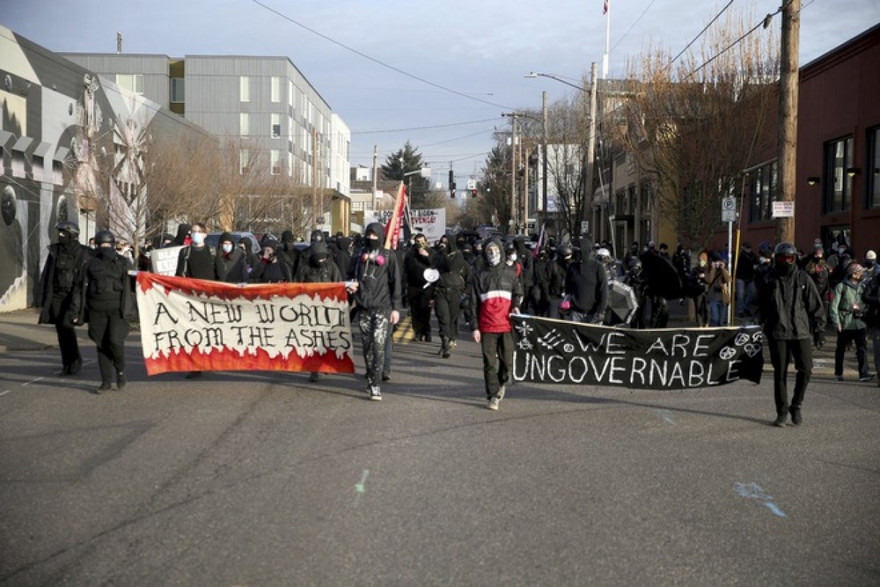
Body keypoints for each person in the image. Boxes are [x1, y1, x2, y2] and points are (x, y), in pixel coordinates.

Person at [757, 242, 827, 427]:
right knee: (779, 374)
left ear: (794, 258)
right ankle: (781, 412)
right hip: (777, 332)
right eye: (782, 258)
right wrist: (757, 326)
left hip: (801, 331)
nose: (786, 262)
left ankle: (796, 405)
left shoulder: (803, 279)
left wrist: (819, 330)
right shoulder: (768, 279)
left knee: (806, 369)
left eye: (790, 258)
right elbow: (761, 306)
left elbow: (816, 306)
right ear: (776, 259)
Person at [70, 230, 135, 394]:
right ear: (97, 246)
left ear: (113, 245)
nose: (105, 248)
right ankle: (105, 381)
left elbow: (135, 283)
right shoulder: (89, 264)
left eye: (108, 244)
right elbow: (79, 289)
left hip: (117, 310)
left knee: (115, 341)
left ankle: (120, 370)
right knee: (101, 344)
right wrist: (75, 311)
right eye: (102, 245)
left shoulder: (123, 262)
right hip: (96, 310)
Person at [346, 222, 402, 401]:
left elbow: (396, 283)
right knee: (367, 348)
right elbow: (349, 276)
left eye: (374, 235)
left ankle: (376, 385)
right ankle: (370, 377)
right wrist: (351, 287)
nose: (371, 238)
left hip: (382, 307)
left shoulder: (388, 255)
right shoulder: (359, 254)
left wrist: (396, 308)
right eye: (368, 234)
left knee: (378, 346)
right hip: (363, 307)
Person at [469, 238, 523, 411]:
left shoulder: (510, 272)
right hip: (487, 326)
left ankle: (501, 383)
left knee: (507, 362)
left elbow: (518, 292)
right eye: (489, 251)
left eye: (495, 250)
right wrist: (475, 327)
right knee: (489, 363)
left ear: (501, 250)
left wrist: (516, 306)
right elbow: (473, 303)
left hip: (506, 325)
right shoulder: (479, 275)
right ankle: (493, 395)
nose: (493, 253)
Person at [38, 221, 89, 376]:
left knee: (68, 327)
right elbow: (48, 274)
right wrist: (43, 297)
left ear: (72, 234)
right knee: (61, 330)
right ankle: (66, 362)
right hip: (56, 296)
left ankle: (75, 360)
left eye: (63, 233)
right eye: (59, 233)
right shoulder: (55, 251)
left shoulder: (82, 252)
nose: (60, 236)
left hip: (73, 295)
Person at [298, 239, 343, 382]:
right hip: (310, 309)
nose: (321, 261)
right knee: (313, 340)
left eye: (323, 258)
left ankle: (326, 363)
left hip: (327, 308)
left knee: (327, 339)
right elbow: (297, 285)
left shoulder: (331, 267)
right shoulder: (305, 267)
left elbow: (338, 284)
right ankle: (314, 369)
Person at [829, 263, 873, 382]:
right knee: (841, 349)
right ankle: (838, 373)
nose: (861, 274)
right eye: (859, 272)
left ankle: (864, 374)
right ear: (853, 274)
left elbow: (867, 303)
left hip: (860, 322)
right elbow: (834, 306)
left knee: (862, 349)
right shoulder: (841, 287)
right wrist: (836, 322)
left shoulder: (863, 287)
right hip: (845, 322)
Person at [433, 234, 469, 358]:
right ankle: (444, 344)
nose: (443, 244)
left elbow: (450, 267)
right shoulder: (438, 254)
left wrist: (444, 253)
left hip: (454, 291)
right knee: (443, 318)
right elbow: (433, 269)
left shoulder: (458, 255)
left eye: (446, 242)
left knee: (453, 318)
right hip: (441, 290)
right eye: (442, 242)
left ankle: (450, 339)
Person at [563, 236, 608, 324]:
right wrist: (567, 303)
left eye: (576, 251)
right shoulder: (572, 267)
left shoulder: (598, 267)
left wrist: (601, 311)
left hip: (594, 313)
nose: (573, 253)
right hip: (575, 312)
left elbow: (603, 291)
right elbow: (568, 289)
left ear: (582, 251)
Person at [403, 232, 436, 342]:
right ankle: (417, 332)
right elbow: (406, 270)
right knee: (415, 311)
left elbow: (435, 266)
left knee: (425, 310)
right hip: (413, 286)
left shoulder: (431, 252)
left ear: (426, 242)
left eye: (422, 242)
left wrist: (427, 256)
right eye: (418, 242)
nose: (420, 244)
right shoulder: (410, 254)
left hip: (427, 286)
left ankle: (426, 331)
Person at [706, 253, 731, 326]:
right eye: (715, 262)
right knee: (715, 318)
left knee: (721, 321)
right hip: (713, 297)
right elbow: (709, 280)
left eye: (718, 261)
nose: (717, 263)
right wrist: (713, 268)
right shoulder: (708, 270)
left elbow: (728, 279)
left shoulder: (724, 269)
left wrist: (723, 268)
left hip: (723, 297)